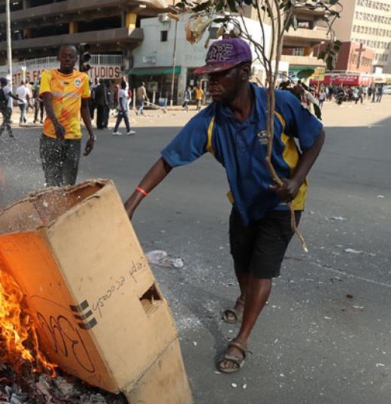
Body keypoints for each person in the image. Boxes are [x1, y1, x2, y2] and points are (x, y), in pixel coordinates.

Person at [123, 38, 325, 374]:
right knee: (241, 260)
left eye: (220, 75)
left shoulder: (279, 104)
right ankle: (244, 296)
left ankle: (241, 339)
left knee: (262, 270)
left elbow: (316, 136)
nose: (211, 83)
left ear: (244, 72)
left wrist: (295, 180)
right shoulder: (210, 121)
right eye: (208, 76)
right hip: (245, 204)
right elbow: (168, 160)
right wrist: (132, 203)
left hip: (283, 205)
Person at [38, 44, 95, 187]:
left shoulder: (83, 78)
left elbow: (84, 107)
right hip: (51, 137)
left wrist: (92, 135)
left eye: (71, 56)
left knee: (69, 183)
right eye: (64, 56)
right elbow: (47, 102)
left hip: (73, 138)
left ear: (76, 59)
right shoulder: (48, 75)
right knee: (52, 181)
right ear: (58, 58)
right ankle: (52, 201)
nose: (67, 59)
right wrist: (56, 123)